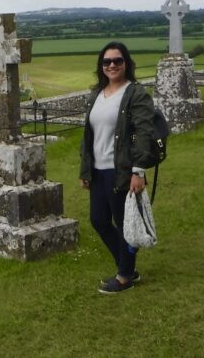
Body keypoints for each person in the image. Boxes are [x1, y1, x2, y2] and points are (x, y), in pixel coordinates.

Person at [79, 41, 155, 294]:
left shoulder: (135, 93)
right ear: (101, 66)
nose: (112, 65)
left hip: (121, 170)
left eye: (117, 61)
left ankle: (124, 276)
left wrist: (138, 170)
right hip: (98, 170)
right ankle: (127, 265)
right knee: (98, 220)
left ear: (126, 64)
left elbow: (144, 132)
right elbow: (89, 136)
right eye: (107, 61)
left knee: (125, 224)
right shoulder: (96, 94)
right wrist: (85, 169)